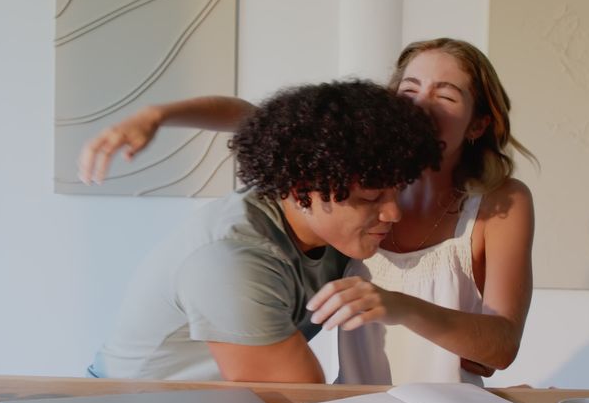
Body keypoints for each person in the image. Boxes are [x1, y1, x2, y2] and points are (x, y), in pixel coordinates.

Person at [79, 38, 537, 386]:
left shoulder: (363, 200)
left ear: (479, 121)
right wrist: (155, 115)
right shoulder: (244, 251)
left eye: (446, 95)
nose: (391, 213)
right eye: (409, 89)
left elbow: (493, 349)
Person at [86, 80, 442, 382]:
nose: (394, 212)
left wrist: (158, 115)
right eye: (370, 197)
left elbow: (250, 116)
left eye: (399, 190)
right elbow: (299, 402)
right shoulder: (233, 258)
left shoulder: (312, 179)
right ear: (305, 183)